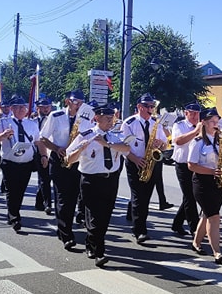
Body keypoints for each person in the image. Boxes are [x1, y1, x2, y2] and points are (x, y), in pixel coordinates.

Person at [66, 104, 129, 267]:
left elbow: (126, 149)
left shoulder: (114, 135)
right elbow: (69, 159)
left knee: (105, 216)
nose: (110, 122)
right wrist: (81, 149)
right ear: (97, 118)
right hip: (91, 180)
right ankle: (99, 252)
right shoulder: (86, 135)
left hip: (110, 180)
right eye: (107, 119)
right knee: (94, 216)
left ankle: (91, 243)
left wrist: (107, 144)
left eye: (112, 118)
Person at [39, 90, 94, 250]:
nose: (78, 105)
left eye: (81, 103)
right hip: (59, 160)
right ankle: (67, 235)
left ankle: (63, 229)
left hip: (76, 161)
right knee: (63, 198)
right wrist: (57, 148)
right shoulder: (56, 116)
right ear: (67, 101)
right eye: (76, 102)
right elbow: (43, 137)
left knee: (73, 198)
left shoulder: (86, 118)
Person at [0, 95, 46, 233]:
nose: (21, 110)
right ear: (12, 109)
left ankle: (13, 213)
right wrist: (2, 135)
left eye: (23, 107)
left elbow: (38, 142)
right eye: (17, 107)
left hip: (26, 163)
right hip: (10, 163)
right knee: (12, 190)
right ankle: (15, 217)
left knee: (20, 191)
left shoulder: (31, 124)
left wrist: (44, 156)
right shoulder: (3, 122)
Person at [187, 107, 222, 264]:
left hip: (219, 181)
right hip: (202, 182)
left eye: (217, 121)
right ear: (204, 123)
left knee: (207, 215)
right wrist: (210, 171)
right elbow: (191, 165)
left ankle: (196, 242)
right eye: (212, 122)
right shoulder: (198, 142)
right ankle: (217, 252)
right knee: (214, 217)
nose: (216, 124)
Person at [119, 93, 169, 243]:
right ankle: (139, 230)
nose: (151, 109)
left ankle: (138, 221)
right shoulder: (129, 123)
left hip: (151, 163)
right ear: (140, 107)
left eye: (152, 106)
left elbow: (165, 145)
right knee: (138, 197)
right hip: (134, 163)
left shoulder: (155, 123)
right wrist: (135, 159)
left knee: (145, 198)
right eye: (148, 106)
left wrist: (160, 144)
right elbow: (123, 146)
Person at [170, 102, 202, 236]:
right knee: (190, 196)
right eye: (192, 113)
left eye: (197, 114)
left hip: (197, 164)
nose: (195, 116)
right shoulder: (179, 125)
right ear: (186, 113)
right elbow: (178, 141)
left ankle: (177, 223)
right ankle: (194, 228)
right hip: (182, 165)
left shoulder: (202, 125)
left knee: (190, 196)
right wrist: (195, 132)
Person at [32, 96, 54, 215]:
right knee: (43, 178)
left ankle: (44, 203)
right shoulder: (33, 120)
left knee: (45, 178)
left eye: (47, 107)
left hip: (49, 151)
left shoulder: (53, 120)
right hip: (35, 151)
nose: (45, 109)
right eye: (43, 107)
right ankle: (44, 203)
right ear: (38, 108)